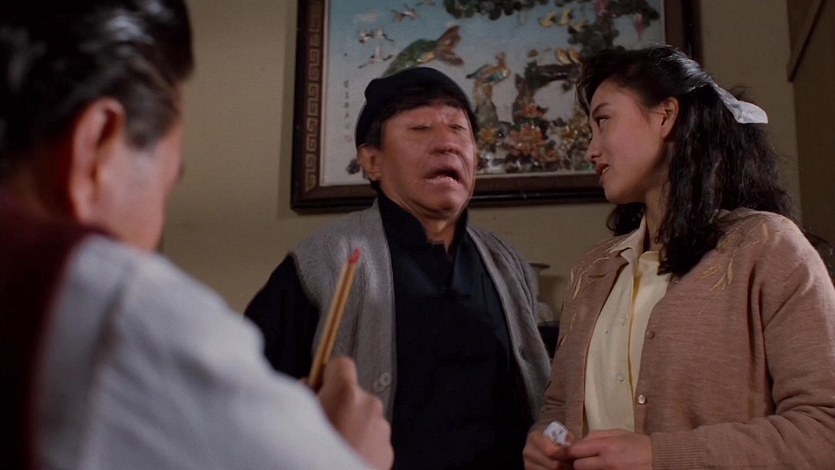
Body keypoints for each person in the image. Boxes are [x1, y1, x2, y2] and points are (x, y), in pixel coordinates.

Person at [0, 1, 392, 469]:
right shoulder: (118, 311)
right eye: (170, 181)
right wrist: (342, 456)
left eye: (456, 126)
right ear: (95, 148)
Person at [523, 45, 835, 469]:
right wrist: (546, 440)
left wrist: (659, 455)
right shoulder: (592, 272)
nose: (592, 149)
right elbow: (560, 409)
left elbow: (824, 429)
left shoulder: (767, 247)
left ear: (666, 116)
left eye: (603, 121)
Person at [245, 66, 551, 469]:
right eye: (420, 128)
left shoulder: (506, 262)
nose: (447, 143)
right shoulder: (324, 262)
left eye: (458, 129)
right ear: (372, 161)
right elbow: (248, 401)